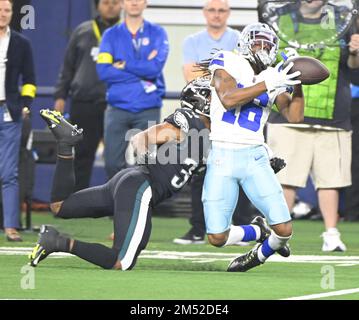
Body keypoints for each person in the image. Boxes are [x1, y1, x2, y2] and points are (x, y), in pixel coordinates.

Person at [202, 22, 303, 272]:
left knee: (284, 230)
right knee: (217, 237)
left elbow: (294, 116)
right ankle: (258, 230)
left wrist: (297, 79)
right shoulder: (227, 61)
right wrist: (268, 83)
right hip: (222, 156)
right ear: (245, 43)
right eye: (258, 42)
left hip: (254, 156)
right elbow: (228, 99)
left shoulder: (275, 74)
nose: (263, 47)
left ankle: (258, 255)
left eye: (268, 44)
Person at [266, 0, 359, 251]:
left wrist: (354, 53)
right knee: (285, 179)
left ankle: (331, 233)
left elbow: (353, 72)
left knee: (330, 180)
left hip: (333, 116)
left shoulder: (344, 20)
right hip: (287, 114)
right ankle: (277, 236)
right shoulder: (278, 18)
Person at [174, 0, 242, 245]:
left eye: (221, 10)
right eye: (212, 10)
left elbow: (243, 79)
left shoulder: (238, 39)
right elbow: (190, 76)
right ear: (205, 13)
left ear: (228, 13)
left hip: (233, 115)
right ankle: (198, 229)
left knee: (237, 169)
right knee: (199, 171)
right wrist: (225, 84)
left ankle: (240, 226)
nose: (216, 15)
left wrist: (222, 85)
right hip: (203, 115)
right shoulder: (192, 41)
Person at [96, 0, 169, 180]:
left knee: (147, 164)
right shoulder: (110, 35)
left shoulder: (158, 33)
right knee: (112, 163)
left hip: (148, 107)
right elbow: (104, 71)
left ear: (146, 3)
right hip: (117, 107)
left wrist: (124, 65)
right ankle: (120, 204)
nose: (134, 2)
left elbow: (155, 69)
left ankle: (142, 207)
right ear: (121, 3)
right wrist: (142, 72)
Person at [53, 0, 121, 192]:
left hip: (117, 104)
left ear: (122, 5)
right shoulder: (82, 31)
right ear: (98, 6)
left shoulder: (125, 33)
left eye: (115, 3)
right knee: (82, 154)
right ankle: (77, 200)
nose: (110, 6)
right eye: (106, 2)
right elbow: (68, 66)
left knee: (116, 157)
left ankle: (117, 202)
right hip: (84, 102)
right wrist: (60, 95)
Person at [0, 0, 36, 242]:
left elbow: (31, 78)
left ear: (13, 14)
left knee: (8, 173)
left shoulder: (21, 43)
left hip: (9, 113)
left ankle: (10, 226)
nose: (2, 14)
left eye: (6, 10)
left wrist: (24, 105)